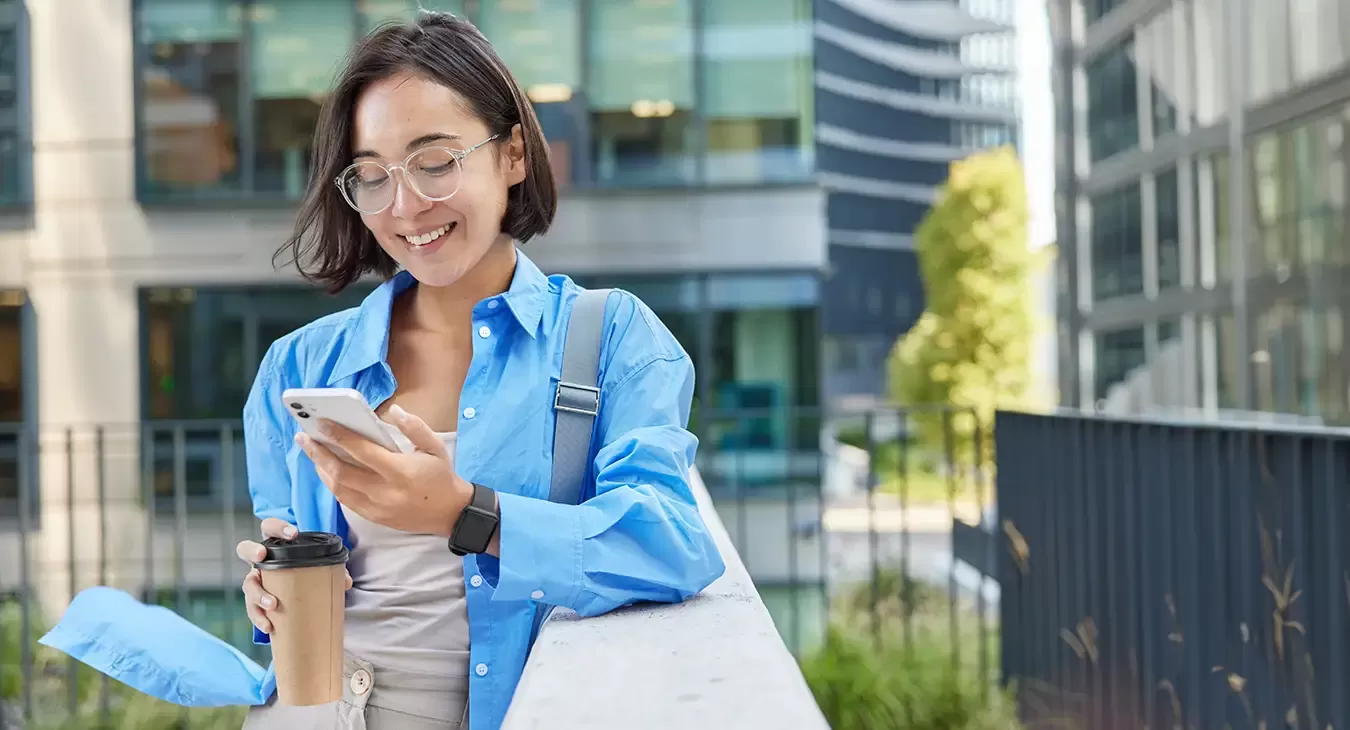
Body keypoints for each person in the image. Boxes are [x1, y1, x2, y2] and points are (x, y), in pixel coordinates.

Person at [227, 10, 724, 730]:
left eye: (435, 161)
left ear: (514, 154)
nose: (405, 206)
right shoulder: (296, 366)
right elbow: (297, 570)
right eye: (372, 176)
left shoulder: (611, 335)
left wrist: (468, 515)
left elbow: (670, 545)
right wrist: (272, 591)